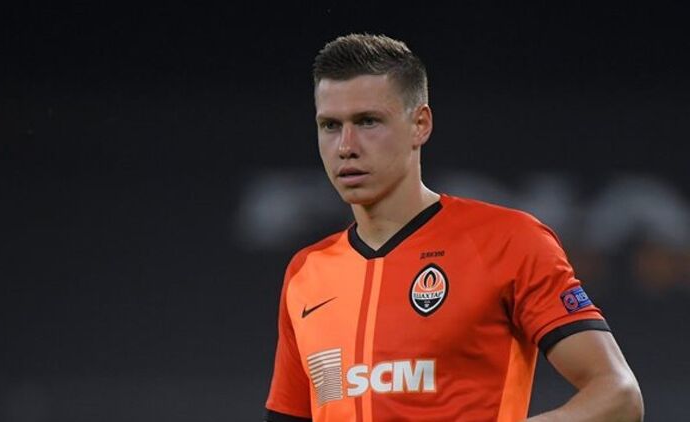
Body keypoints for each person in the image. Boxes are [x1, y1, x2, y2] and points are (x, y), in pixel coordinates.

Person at [263, 33, 643, 422]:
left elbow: (619, 394)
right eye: (330, 125)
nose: (346, 146)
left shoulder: (509, 241)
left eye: (368, 121)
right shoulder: (306, 272)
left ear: (420, 124)